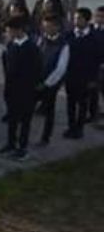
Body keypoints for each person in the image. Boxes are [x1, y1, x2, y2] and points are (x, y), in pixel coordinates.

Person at [0, 16, 42, 161]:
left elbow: (36, 70)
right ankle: (11, 143)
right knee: (12, 118)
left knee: (25, 121)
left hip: (26, 91)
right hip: (12, 89)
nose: (8, 34)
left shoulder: (31, 48)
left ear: (18, 30)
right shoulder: (11, 45)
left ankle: (22, 147)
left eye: (9, 31)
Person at [34, 15, 69, 146]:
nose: (45, 29)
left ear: (56, 27)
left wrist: (46, 84)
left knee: (49, 111)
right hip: (37, 80)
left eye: (48, 27)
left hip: (50, 83)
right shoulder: (41, 39)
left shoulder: (63, 45)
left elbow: (60, 69)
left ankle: (45, 137)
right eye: (44, 26)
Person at [64, 8, 98, 139]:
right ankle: (71, 127)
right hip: (70, 75)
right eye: (75, 18)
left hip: (85, 77)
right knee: (70, 103)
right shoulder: (69, 35)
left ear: (86, 20)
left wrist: (93, 79)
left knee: (83, 104)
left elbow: (96, 60)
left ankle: (79, 128)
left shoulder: (93, 38)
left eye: (79, 18)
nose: (76, 21)